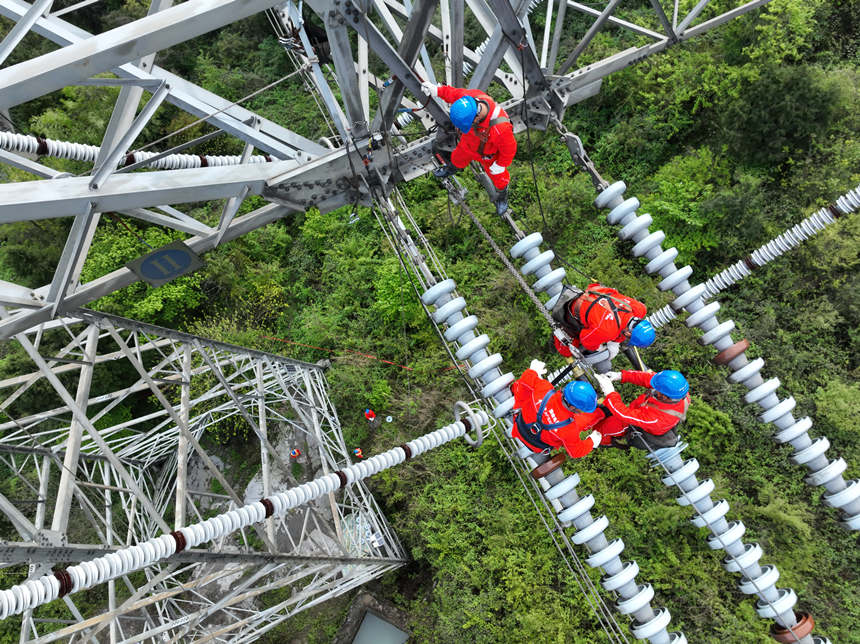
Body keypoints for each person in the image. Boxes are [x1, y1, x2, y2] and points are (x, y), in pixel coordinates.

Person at [421, 82, 517, 215]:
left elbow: (509, 149)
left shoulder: (500, 128)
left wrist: (500, 164)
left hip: (488, 155)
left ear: (476, 118)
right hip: (468, 144)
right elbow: (453, 94)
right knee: (457, 159)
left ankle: (502, 196)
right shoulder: (470, 98)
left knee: (499, 178)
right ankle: (450, 169)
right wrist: (436, 90)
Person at [510, 359, 606, 459]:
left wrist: (533, 370)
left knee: (524, 392)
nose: (581, 412)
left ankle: (600, 413)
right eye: (581, 410)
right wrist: (592, 441)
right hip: (535, 447)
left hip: (518, 426)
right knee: (586, 419)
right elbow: (576, 452)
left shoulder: (543, 388)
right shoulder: (569, 430)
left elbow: (526, 379)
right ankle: (602, 413)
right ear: (572, 406)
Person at [551, 284, 655, 365]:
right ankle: (557, 331)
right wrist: (600, 347)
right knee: (566, 351)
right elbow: (586, 340)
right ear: (628, 333)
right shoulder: (608, 331)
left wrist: (616, 341)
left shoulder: (639, 309)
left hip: (592, 293)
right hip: (571, 309)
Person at [591, 369, 690, 451]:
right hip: (642, 408)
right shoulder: (677, 392)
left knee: (603, 429)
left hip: (635, 424)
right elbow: (648, 378)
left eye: (658, 391)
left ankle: (604, 442)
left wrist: (610, 393)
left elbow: (624, 415)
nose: (654, 390)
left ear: (666, 397)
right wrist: (622, 375)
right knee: (609, 411)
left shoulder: (658, 419)